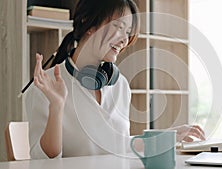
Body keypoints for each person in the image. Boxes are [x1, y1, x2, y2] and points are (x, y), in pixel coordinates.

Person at [25, 0, 205, 159]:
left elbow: (121, 146)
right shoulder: (44, 87)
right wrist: (56, 107)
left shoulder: (119, 85)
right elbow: (42, 160)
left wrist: (168, 136)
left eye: (127, 32)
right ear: (87, 23)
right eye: (118, 27)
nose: (124, 40)